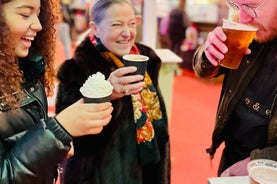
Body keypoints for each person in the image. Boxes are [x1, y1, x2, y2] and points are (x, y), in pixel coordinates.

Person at [55, 0, 170, 184]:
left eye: (131, 23)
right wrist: (105, 93)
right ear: (95, 28)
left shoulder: (146, 58)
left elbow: (158, 124)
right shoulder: (76, 70)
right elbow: (68, 141)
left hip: (148, 170)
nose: (127, 33)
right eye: (116, 24)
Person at [0, 0, 113, 183]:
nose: (38, 25)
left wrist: (53, 146)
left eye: (37, 14)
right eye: (25, 14)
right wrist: (57, 132)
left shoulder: (26, 68)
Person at [193, 0, 277, 177]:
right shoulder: (242, 23)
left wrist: (259, 162)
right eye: (235, 6)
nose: (243, 18)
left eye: (251, 7)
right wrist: (208, 54)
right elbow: (203, 69)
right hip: (231, 154)